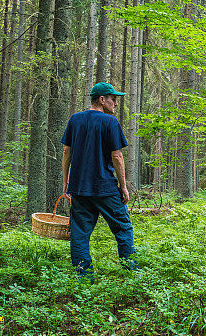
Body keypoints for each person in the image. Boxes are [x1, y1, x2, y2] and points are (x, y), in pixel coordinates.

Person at [61, 82, 137, 280]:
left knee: (79, 233)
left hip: (79, 187)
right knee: (123, 228)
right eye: (113, 99)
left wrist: (66, 182)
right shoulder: (110, 123)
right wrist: (123, 186)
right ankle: (131, 274)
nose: (116, 104)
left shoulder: (75, 120)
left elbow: (66, 152)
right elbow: (117, 156)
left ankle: (84, 277)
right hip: (105, 188)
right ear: (102, 100)